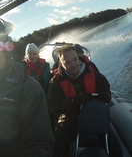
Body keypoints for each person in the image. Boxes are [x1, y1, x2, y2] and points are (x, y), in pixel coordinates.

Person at [0, 18, 54, 157]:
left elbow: (38, 145)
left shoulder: (30, 88)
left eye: (35, 53)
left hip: (43, 101)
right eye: (30, 54)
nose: (33, 56)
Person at [48, 44, 111, 157]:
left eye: (75, 59)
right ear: (61, 63)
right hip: (70, 122)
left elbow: (107, 93)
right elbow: (53, 105)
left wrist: (96, 97)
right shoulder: (55, 82)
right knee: (54, 149)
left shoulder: (94, 74)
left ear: (78, 57)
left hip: (95, 118)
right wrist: (74, 101)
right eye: (68, 62)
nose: (73, 65)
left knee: (116, 150)